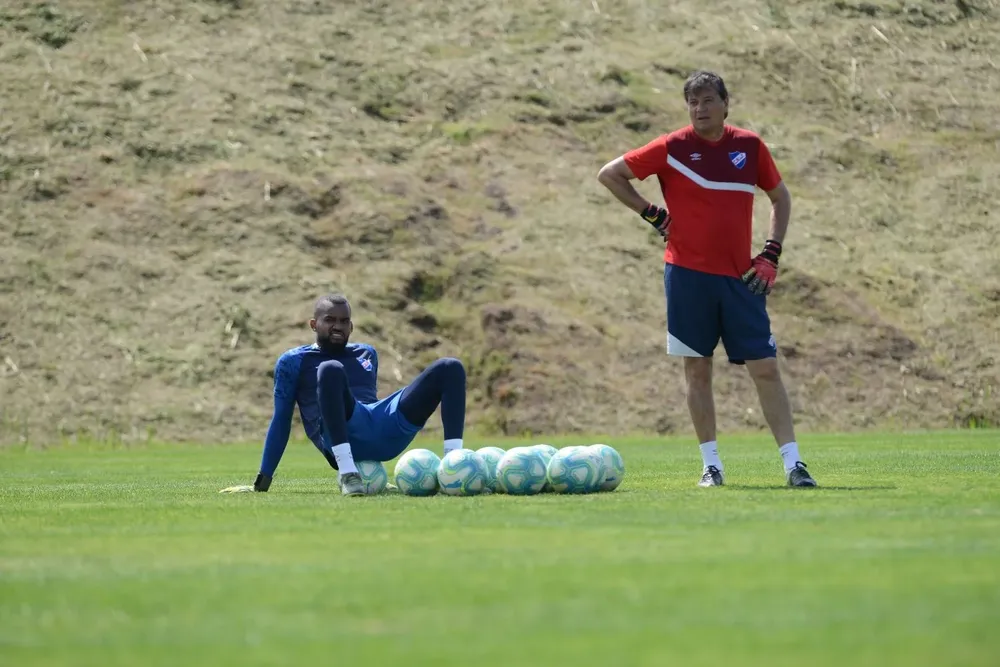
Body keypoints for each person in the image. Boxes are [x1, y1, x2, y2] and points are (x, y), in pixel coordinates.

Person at [596, 70, 817, 488]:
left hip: (740, 279)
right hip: (686, 278)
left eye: (708, 100)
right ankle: (711, 466)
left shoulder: (749, 147)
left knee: (766, 369)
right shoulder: (672, 147)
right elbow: (610, 174)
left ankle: (794, 465)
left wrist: (772, 251)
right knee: (697, 371)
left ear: (725, 104)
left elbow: (780, 197)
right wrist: (652, 213)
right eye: (693, 102)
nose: (700, 109)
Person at [220, 294, 468, 496]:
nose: (337, 326)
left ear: (351, 326)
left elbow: (367, 401)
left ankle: (454, 468)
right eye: (330, 320)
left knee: (449, 367)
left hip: (381, 425)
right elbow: (281, 420)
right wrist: (262, 482)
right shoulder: (293, 361)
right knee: (330, 369)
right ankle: (349, 473)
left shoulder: (366, 353)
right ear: (314, 324)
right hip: (340, 439)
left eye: (343, 321)